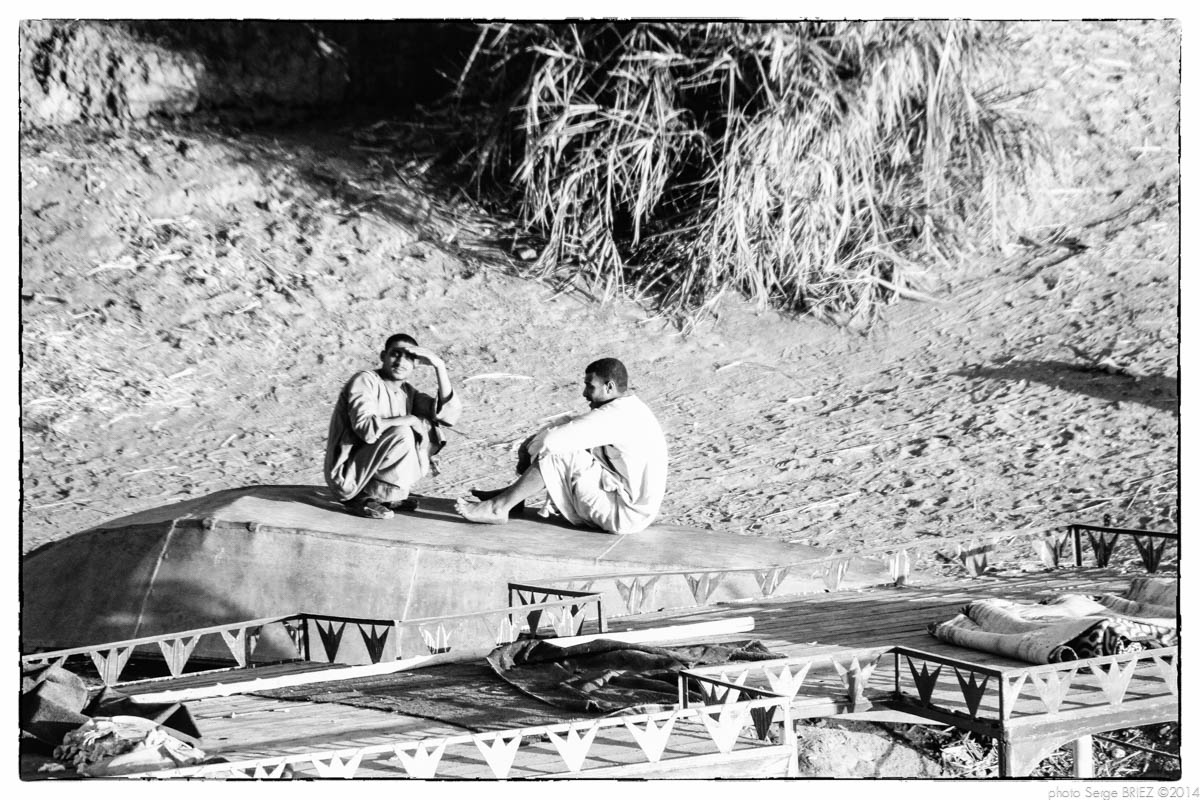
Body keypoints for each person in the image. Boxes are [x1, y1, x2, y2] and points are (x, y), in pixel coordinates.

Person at [456, 357, 667, 535]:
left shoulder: (615, 415)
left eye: (590, 386)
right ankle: (514, 497)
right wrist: (534, 441)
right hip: (630, 508)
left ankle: (499, 507)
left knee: (555, 452)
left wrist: (531, 445)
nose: (584, 393)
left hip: (624, 514)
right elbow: (571, 425)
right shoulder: (629, 408)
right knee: (562, 440)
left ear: (609, 387)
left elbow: (551, 443)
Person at [324, 333, 462, 519]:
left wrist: (439, 366)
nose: (400, 362)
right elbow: (366, 429)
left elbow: (448, 415)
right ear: (383, 356)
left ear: (416, 363)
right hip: (348, 474)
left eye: (409, 357)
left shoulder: (407, 391)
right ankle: (359, 498)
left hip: (370, 469)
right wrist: (410, 420)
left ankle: (387, 494)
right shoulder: (365, 380)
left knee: (428, 424)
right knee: (403, 431)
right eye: (395, 354)